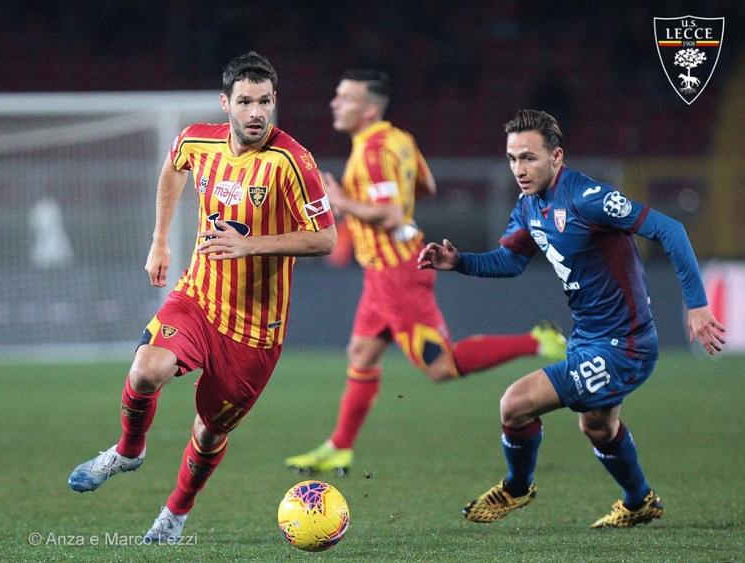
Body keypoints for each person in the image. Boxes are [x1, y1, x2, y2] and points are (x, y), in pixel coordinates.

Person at [67, 52, 336, 542]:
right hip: (199, 298)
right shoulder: (197, 139)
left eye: (265, 102)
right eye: (246, 102)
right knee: (145, 369)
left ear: (275, 102)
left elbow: (326, 239)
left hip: (255, 330)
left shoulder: (293, 161)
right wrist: (159, 240)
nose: (256, 113)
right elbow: (173, 167)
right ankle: (128, 450)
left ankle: (175, 513)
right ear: (225, 103)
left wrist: (250, 245)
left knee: (209, 432)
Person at [418, 109, 726, 528]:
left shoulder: (589, 198)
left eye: (529, 158)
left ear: (556, 156)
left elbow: (670, 230)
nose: (519, 170)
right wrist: (460, 262)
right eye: (512, 159)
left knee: (515, 404)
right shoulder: (529, 205)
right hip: (588, 337)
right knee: (598, 426)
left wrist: (698, 304)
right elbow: (510, 260)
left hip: (625, 345)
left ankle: (517, 487)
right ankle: (639, 501)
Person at [285, 71, 567, 476]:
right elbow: (427, 186)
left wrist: (342, 201)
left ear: (368, 110)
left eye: (345, 98)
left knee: (440, 366)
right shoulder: (399, 140)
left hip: (396, 272)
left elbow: (389, 214)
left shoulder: (372, 151)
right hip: (381, 272)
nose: (335, 103)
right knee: (361, 354)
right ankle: (339, 448)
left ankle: (537, 340)